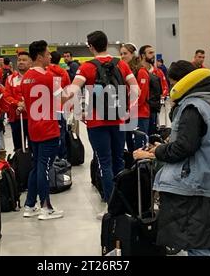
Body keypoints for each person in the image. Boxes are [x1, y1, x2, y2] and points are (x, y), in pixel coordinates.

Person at [134, 60, 210, 256]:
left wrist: (159, 151)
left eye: (172, 83)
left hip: (193, 186)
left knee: (196, 244)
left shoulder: (193, 106)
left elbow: (183, 147)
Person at [70, 31, 139, 219]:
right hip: (118, 119)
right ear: (107, 44)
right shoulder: (121, 64)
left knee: (104, 163)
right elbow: (136, 89)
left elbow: (73, 91)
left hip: (96, 121)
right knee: (119, 161)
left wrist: (77, 111)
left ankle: (111, 206)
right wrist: (128, 109)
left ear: (91, 47)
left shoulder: (87, 67)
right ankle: (123, 205)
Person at [21, 40, 72, 220]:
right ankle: (45, 207)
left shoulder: (25, 77)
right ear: (40, 56)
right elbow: (62, 100)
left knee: (37, 166)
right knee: (44, 167)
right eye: (48, 53)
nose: (51, 56)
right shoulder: (49, 77)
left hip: (33, 127)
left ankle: (29, 204)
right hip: (48, 128)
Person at [0, 51, 31, 151]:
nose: (21, 62)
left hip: (32, 118)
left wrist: (25, 105)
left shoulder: (35, 78)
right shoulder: (10, 79)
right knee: (18, 147)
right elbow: (6, 96)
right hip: (16, 118)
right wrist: (18, 103)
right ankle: (20, 165)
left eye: (24, 60)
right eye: (19, 60)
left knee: (34, 146)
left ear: (30, 62)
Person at [120, 43, 149, 151]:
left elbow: (141, 96)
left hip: (139, 114)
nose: (122, 56)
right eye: (121, 54)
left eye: (125, 53)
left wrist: (129, 110)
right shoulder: (126, 71)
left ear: (133, 54)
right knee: (131, 146)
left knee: (140, 147)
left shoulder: (141, 72)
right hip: (128, 114)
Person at [138, 45, 167, 135]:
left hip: (153, 109)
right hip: (140, 110)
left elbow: (165, 88)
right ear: (143, 55)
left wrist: (162, 96)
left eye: (153, 52)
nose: (153, 55)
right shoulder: (137, 71)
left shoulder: (158, 72)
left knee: (151, 135)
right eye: (150, 53)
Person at [48, 51, 71, 159]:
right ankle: (62, 159)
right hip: (61, 108)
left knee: (49, 134)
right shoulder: (64, 73)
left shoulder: (45, 71)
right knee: (61, 133)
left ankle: (52, 157)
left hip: (46, 109)